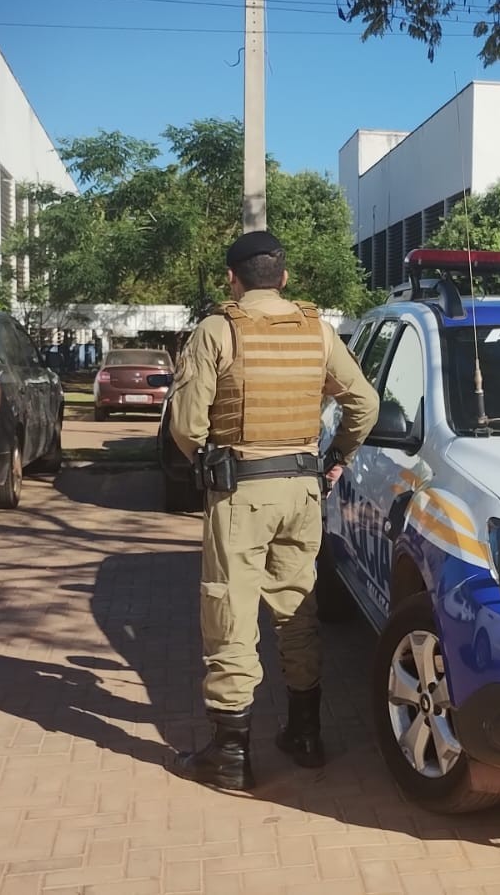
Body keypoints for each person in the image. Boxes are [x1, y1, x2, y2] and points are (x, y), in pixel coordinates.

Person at [165, 230, 380, 792]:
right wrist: (337, 456)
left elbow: (186, 427)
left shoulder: (217, 330)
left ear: (232, 279)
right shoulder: (319, 332)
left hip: (240, 491)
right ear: (283, 276)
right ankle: (306, 735)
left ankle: (231, 756)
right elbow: (365, 402)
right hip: (302, 488)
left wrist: (207, 461)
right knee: (297, 609)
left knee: (230, 610)